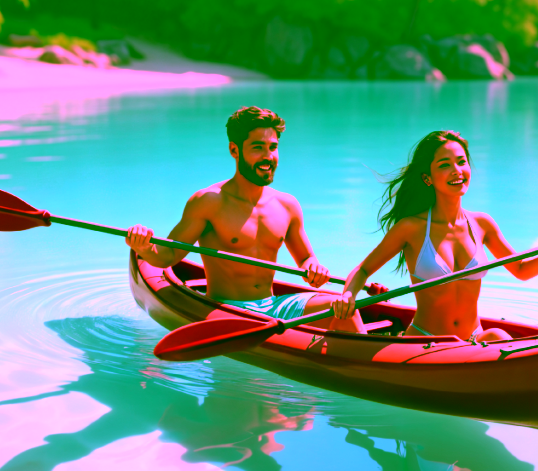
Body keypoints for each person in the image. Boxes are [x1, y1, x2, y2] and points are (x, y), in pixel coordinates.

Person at [126, 106, 372, 332]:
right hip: (226, 309)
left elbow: (306, 259)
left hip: (274, 306)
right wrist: (144, 247)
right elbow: (168, 256)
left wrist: (314, 268)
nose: (268, 156)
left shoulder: (288, 205)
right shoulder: (209, 202)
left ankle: (359, 362)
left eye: (273, 147)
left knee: (344, 307)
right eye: (257, 148)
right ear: (234, 150)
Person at [331, 130, 538, 343]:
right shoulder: (411, 227)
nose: (457, 171)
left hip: (473, 339)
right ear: (427, 178)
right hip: (424, 341)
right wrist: (348, 295)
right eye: (444, 165)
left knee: (499, 336)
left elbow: (521, 269)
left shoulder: (482, 224)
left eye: (461, 162)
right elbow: (363, 270)